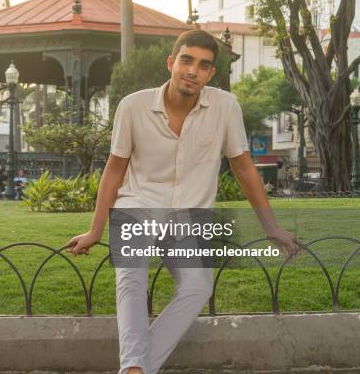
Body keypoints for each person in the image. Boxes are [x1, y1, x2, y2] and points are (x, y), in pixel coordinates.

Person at [65, 30, 302, 374]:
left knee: (198, 286)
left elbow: (244, 169)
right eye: (187, 60)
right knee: (131, 277)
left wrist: (272, 228)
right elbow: (115, 171)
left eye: (204, 65)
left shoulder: (225, 107)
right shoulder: (133, 106)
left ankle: (139, 369)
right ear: (171, 63)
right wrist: (94, 230)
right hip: (137, 208)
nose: (193, 70)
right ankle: (133, 369)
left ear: (210, 74)